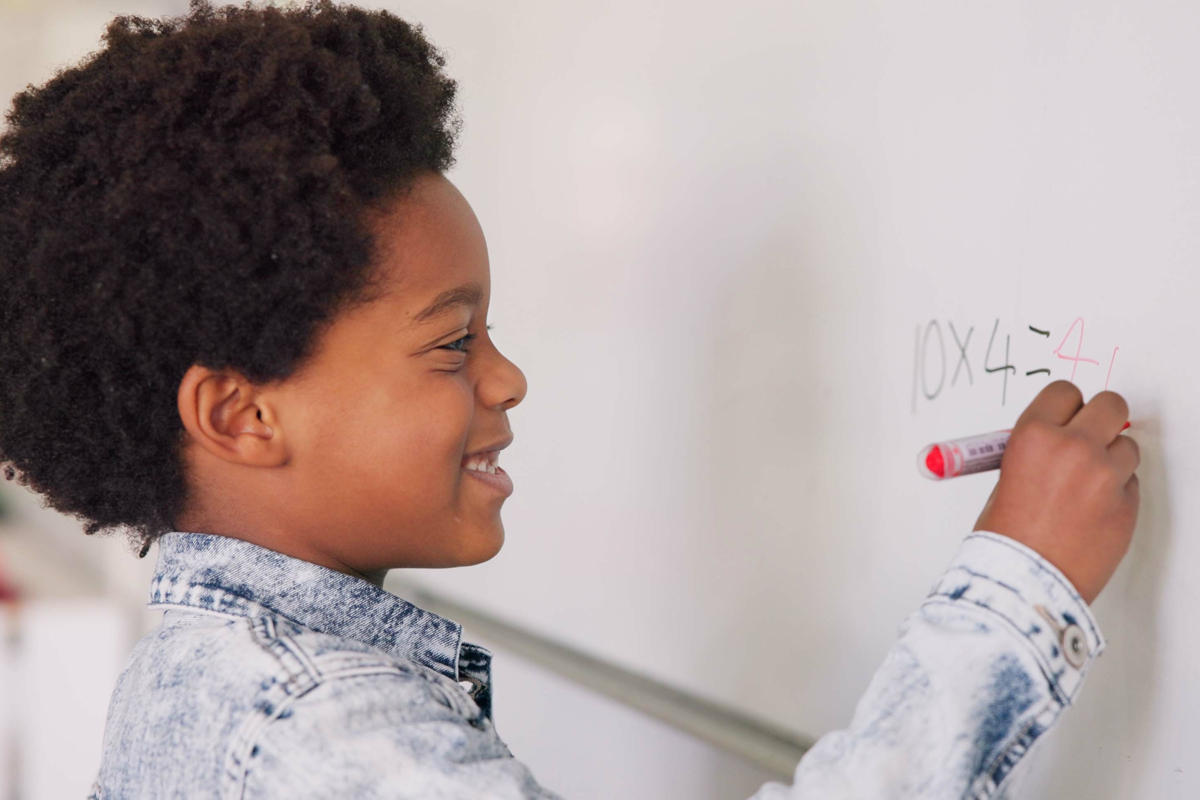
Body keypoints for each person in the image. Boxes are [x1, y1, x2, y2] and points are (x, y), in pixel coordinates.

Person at [0, 1, 1138, 797]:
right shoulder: (317, 730)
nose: (508, 378)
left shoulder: (214, 669)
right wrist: (1020, 586)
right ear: (245, 415)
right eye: (454, 344)